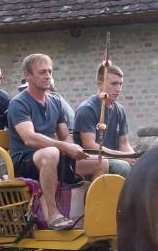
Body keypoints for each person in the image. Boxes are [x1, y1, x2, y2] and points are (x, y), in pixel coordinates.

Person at [8, 54, 106, 229]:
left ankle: (91, 215)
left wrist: (73, 149)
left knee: (100, 162)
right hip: (25, 160)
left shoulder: (55, 102)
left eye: (50, 72)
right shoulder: (18, 103)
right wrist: (63, 147)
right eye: (42, 72)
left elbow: (64, 135)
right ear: (27, 75)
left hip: (53, 157)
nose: (48, 76)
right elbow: (29, 138)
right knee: (52, 153)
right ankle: (53, 214)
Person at [73, 61, 135, 176]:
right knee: (122, 167)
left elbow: (124, 144)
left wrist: (134, 157)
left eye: (121, 84)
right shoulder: (87, 110)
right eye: (114, 84)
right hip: (90, 160)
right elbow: (90, 146)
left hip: (114, 157)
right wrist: (121, 157)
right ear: (99, 84)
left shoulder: (120, 110)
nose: (118, 89)